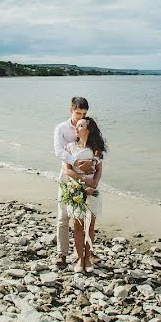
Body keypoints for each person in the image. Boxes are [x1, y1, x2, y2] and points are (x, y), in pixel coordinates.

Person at [60, 117, 107, 273]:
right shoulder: (70, 147)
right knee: (78, 227)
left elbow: (99, 171)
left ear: (88, 130)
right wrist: (83, 180)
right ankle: (80, 258)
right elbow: (67, 170)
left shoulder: (96, 150)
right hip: (76, 190)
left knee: (90, 227)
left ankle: (88, 258)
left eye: (80, 126)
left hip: (92, 192)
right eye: (77, 126)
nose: (76, 128)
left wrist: (94, 184)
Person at [54, 96, 94, 267]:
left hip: (87, 177)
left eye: (83, 113)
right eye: (78, 113)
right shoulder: (61, 128)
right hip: (67, 174)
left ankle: (87, 254)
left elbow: (99, 149)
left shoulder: (89, 126)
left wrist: (92, 163)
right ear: (71, 109)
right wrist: (76, 162)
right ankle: (62, 253)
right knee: (63, 216)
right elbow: (59, 151)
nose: (80, 116)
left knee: (87, 217)